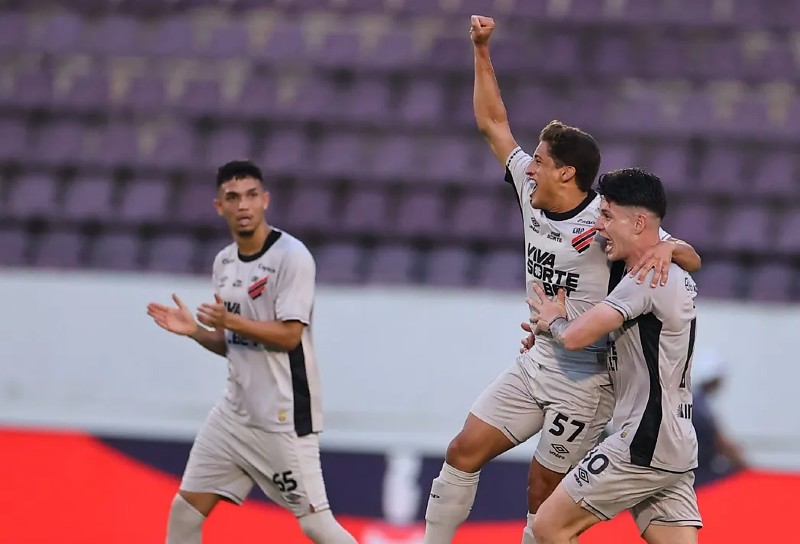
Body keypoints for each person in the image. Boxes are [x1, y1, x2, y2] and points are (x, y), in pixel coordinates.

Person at [421, 15, 702, 544]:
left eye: (541, 162)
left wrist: (668, 245)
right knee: (463, 450)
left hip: (588, 380)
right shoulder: (532, 192)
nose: (529, 167)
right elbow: (492, 123)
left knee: (541, 494)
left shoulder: (607, 222)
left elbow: (686, 256)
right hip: (538, 361)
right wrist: (481, 50)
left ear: (566, 173)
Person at [146, 160, 357, 544]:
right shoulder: (224, 263)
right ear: (219, 207)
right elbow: (234, 345)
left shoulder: (292, 257)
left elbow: (290, 336)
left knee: (316, 525)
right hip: (233, 415)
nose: (242, 205)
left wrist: (232, 323)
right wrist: (195, 330)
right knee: (185, 511)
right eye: (232, 197)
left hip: (283, 417)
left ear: (265, 200)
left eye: (250, 196)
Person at [527, 167, 702, 544]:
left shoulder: (645, 279)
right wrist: (671, 246)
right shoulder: (668, 267)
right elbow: (692, 256)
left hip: (643, 439)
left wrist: (552, 320)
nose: (599, 225)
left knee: (547, 526)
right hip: (674, 439)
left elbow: (574, 337)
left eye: (607, 215)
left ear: (638, 223)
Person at [691, 348, 748, 486]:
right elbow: (720, 442)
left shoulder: (693, 400)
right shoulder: (700, 407)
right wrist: (744, 466)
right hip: (701, 473)